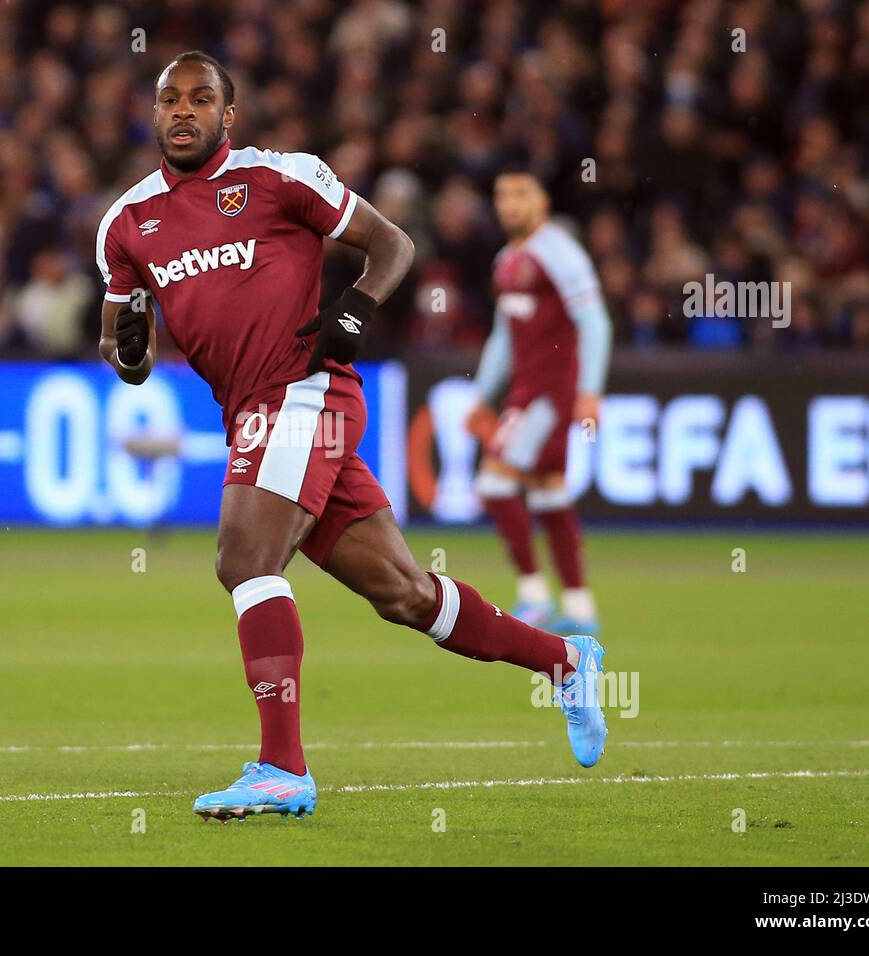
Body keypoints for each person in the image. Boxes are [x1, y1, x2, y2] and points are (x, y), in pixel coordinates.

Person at [96, 53, 606, 821]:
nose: (183, 111)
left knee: (245, 558)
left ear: (228, 115)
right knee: (405, 594)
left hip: (305, 391)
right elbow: (123, 354)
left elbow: (392, 243)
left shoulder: (280, 178)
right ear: (154, 111)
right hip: (252, 411)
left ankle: (282, 768)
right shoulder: (127, 223)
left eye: (201, 99)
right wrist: (130, 352)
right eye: (170, 98)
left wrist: (356, 308)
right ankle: (564, 660)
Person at [466, 169, 612, 636]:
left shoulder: (560, 253)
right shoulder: (506, 260)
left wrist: (589, 393)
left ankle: (534, 596)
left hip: (550, 395)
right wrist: (482, 395)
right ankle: (580, 608)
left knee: (493, 483)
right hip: (524, 393)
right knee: (549, 492)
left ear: (542, 202)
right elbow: (503, 337)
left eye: (522, 194)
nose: (510, 203)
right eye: (502, 194)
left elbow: (595, 323)